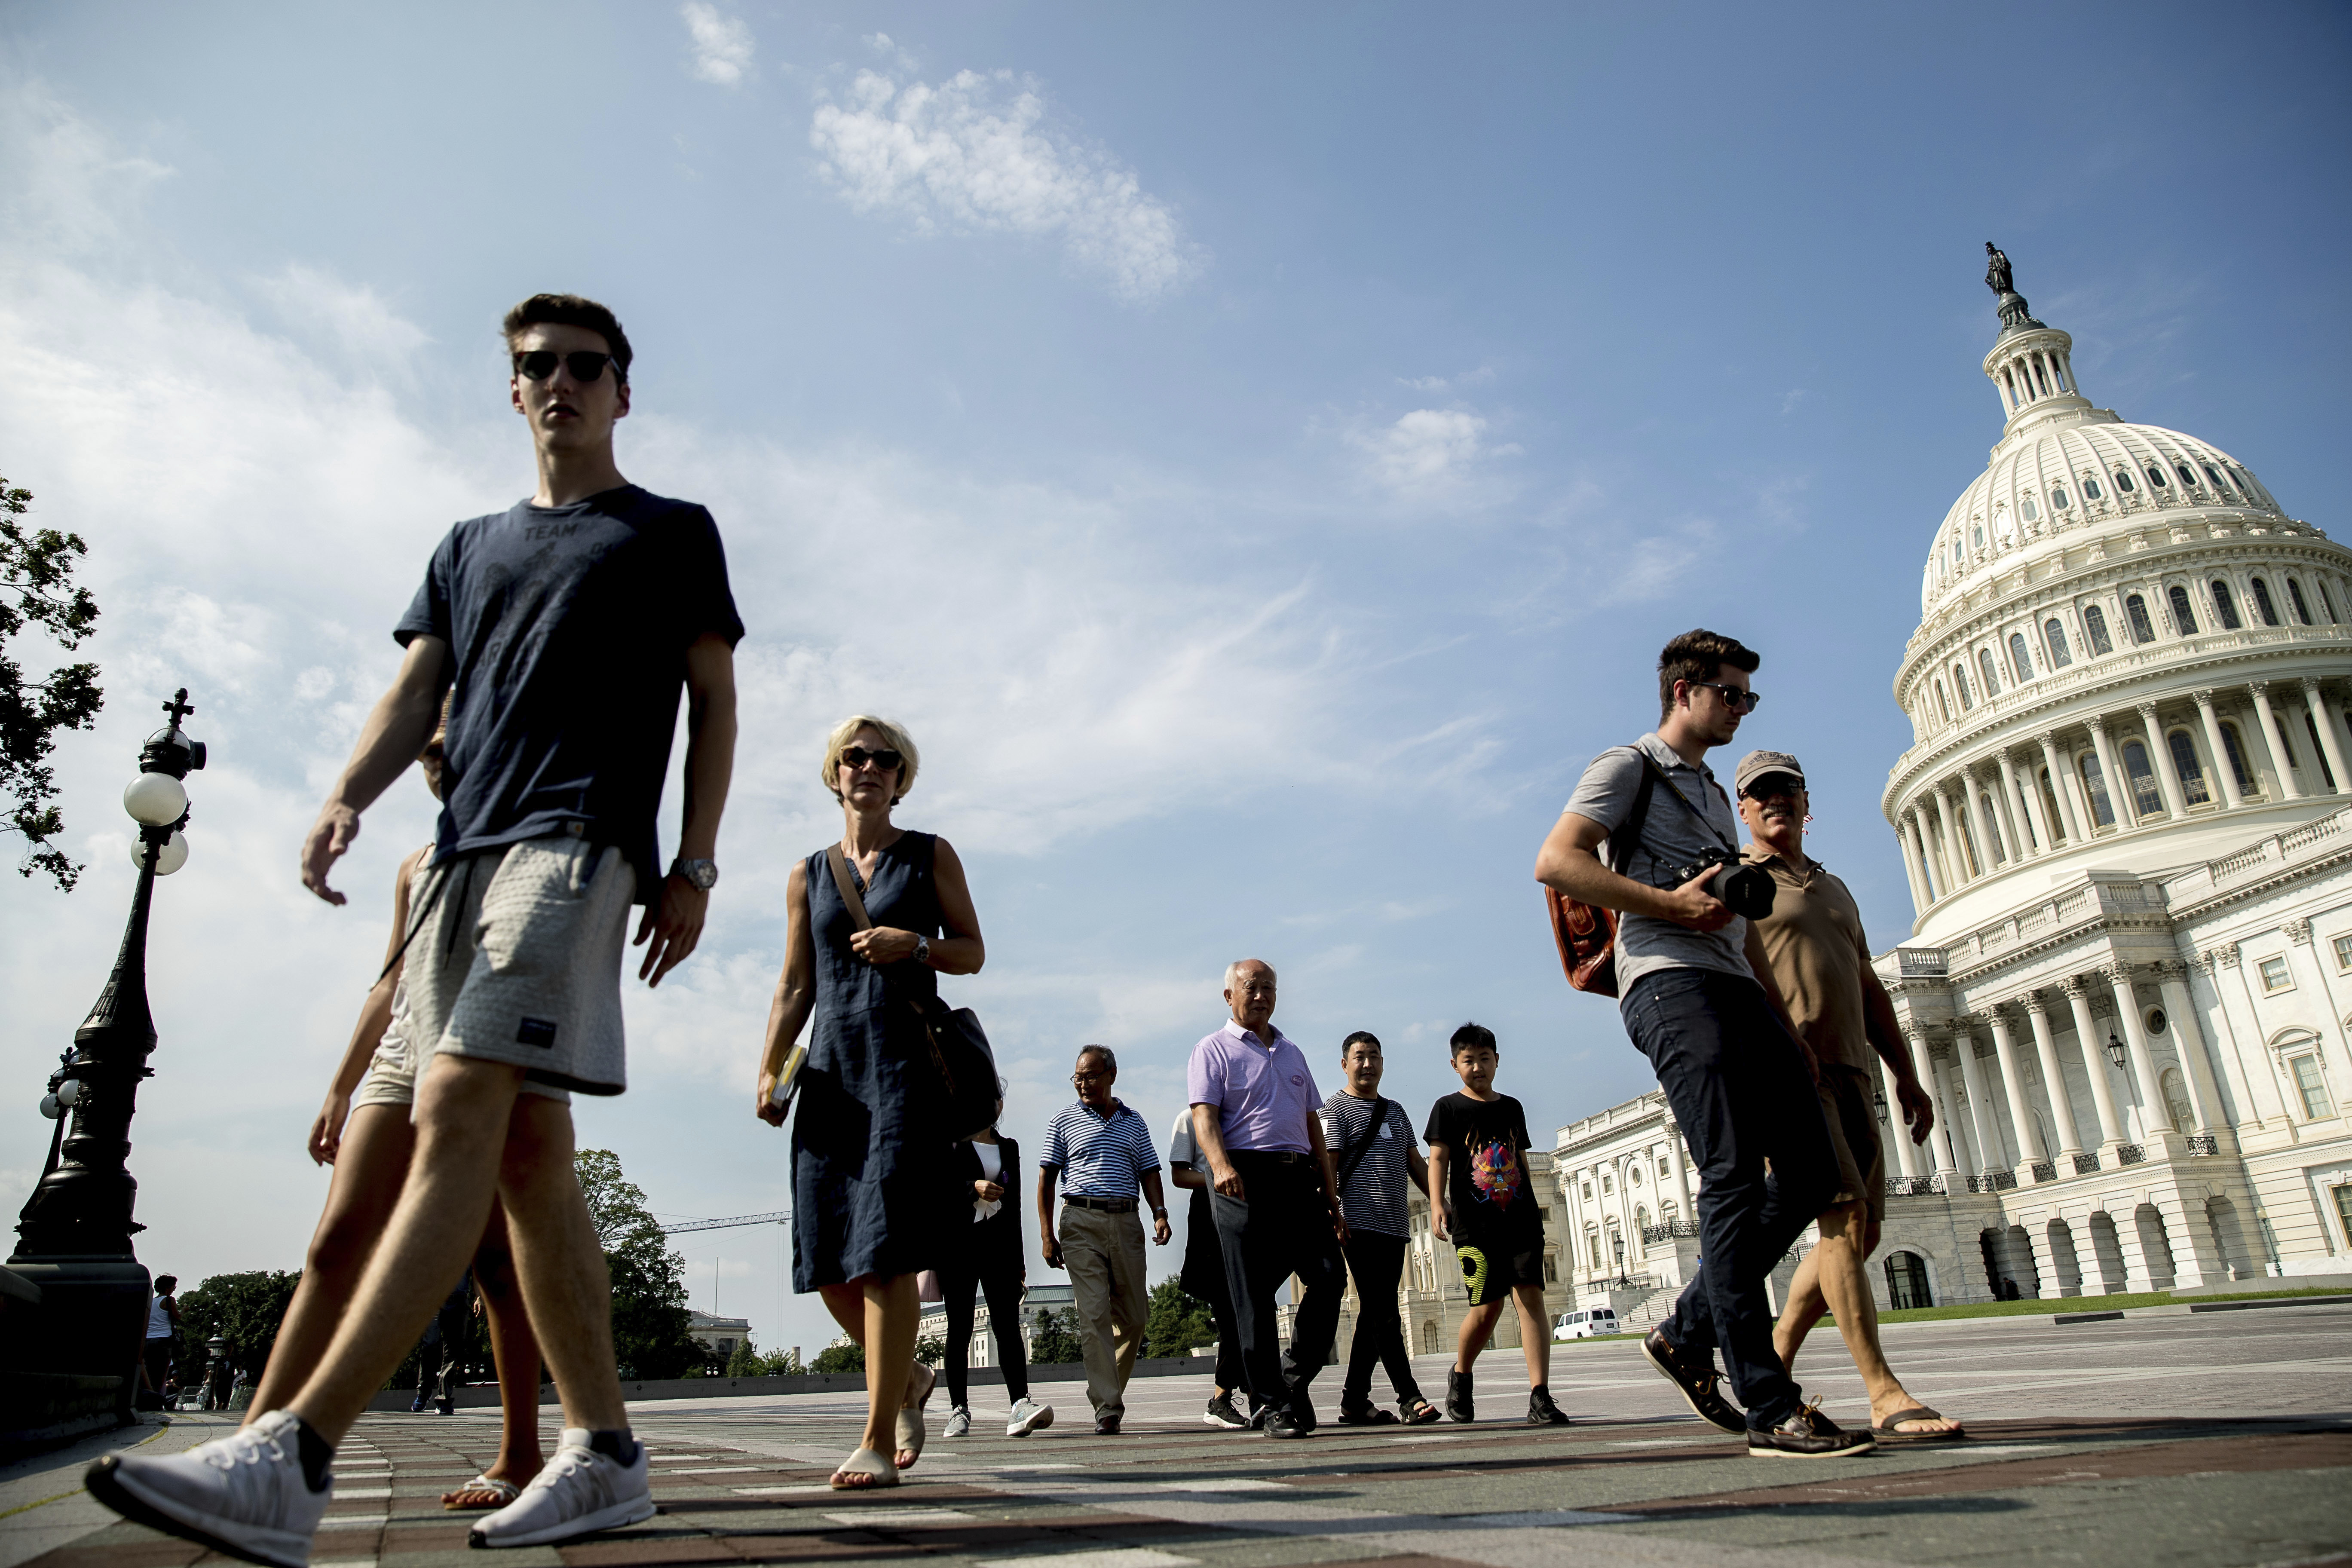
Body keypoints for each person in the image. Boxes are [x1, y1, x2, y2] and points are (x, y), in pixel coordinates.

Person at [90, 292, 744, 1560]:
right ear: (512, 390)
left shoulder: (669, 531)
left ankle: (295, 1456)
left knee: (455, 1104)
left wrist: (696, 865)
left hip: (575, 843)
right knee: (526, 1156)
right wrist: (345, 794)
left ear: (624, 388)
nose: (559, 382)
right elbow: (415, 689)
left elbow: (714, 699)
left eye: (585, 366)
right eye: (535, 366)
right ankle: (604, 1452)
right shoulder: (466, 543)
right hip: (461, 859)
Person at [1534, 628, 1870, 1459]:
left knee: (1810, 1173)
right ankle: (1767, 1400)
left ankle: (1686, 1330)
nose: (1741, 709)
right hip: (1667, 984)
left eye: (1748, 697)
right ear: (1685, 690)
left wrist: (1783, 1019)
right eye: (1731, 694)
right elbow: (1555, 859)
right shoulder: (1627, 766)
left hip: (1736, 990)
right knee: (1727, 1174)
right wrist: (1666, 903)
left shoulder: (1719, 797)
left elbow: (1747, 923)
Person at [245, 716, 550, 1509]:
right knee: (336, 1239)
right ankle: (257, 1443)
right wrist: (340, 1086)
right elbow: (389, 982)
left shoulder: (528, 839)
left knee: (496, 1265)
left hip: (481, 1059)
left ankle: (519, 1451)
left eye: (458, 742)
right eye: (428, 751)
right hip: (399, 1059)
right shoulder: (414, 865)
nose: (441, 761)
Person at [756, 716, 985, 1490]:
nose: (868, 767)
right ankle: (911, 1378)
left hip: (901, 1074)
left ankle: (877, 1436)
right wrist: (769, 1069)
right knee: (826, 1259)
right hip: (828, 1074)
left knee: (886, 1253)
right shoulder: (808, 874)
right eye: (854, 756)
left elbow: (972, 950)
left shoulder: (929, 854)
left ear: (900, 778)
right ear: (833, 773)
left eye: (885, 759)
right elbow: (795, 982)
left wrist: (912, 944)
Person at [1733, 751, 1965, 1442]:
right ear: (1743, 809)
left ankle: (1770, 1366)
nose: (1775, 802)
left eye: (1786, 791)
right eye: (1760, 794)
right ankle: (1884, 1392)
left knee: (1864, 1233)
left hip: (1852, 1066)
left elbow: (1866, 984)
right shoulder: (1740, 883)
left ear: (1807, 803)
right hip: (1790, 1071)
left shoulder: (1834, 889)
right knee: (1838, 1216)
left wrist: (1904, 1071)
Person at [1186, 959, 1348, 1439]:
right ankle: (1272, 1405)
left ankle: (1292, 1382)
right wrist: (1220, 1166)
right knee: (1252, 1297)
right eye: (1251, 987)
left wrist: (1330, 1188)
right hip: (1243, 1177)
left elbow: (1312, 1122)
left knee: (1329, 1277)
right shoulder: (1212, 1050)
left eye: (1269, 988)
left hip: (1298, 1179)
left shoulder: (1293, 1052)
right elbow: (1204, 1116)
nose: (1261, 996)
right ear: (1229, 996)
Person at [1424, 1024, 1568, 1427]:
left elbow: (1520, 1160)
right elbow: (1438, 1160)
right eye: (1468, 1061)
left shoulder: (1512, 1107)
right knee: (1487, 1308)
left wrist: (1534, 1208)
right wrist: (1438, 1203)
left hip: (1520, 1220)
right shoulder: (1448, 1108)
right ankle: (1462, 1373)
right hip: (1474, 1225)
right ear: (1455, 1065)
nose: (1478, 1067)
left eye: (1485, 1059)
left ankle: (1540, 1396)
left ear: (1497, 1060)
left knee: (1530, 1298)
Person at [1038, 1046, 1170, 1435]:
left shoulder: (1134, 1121)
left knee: (1135, 1317)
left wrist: (1159, 1212)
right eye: (1078, 1078)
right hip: (1080, 1220)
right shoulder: (1062, 1121)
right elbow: (1046, 1179)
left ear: (1112, 1075)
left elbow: (1150, 1170)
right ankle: (1107, 1406)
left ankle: (1106, 1387)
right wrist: (1047, 1234)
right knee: (1093, 1314)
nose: (1083, 1084)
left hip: (1127, 1220)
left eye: (1091, 1076)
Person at [1308, 1034, 1439, 1426]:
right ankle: (1409, 1396)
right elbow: (1328, 1163)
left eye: (1374, 1057)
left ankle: (1354, 1400)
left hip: (1394, 1223)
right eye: (1359, 1057)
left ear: (1384, 1063)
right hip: (1356, 1222)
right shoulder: (1334, 1109)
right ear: (1344, 1063)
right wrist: (1333, 1210)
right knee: (1385, 1313)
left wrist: (1439, 1200)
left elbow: (1415, 1162)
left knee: (1374, 1311)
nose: (1368, 1065)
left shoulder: (1395, 1112)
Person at [939, 1093, 1054, 1439]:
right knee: (959, 1329)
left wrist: (1019, 1260)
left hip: (999, 1248)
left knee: (1007, 1326)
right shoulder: (952, 1144)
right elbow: (935, 1190)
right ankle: (958, 1409)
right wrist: (971, 1188)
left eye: (996, 1097)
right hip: (958, 1247)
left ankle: (1020, 1403)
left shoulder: (1009, 1146)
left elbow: (1015, 1203)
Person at [1166, 1108, 1250, 1429]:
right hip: (1210, 1212)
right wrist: (1217, 1177)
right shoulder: (1188, 1119)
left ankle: (1244, 1393)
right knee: (1229, 1311)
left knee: (1253, 1306)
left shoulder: (1246, 1112)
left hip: (1248, 1211)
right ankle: (1222, 1398)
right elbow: (1178, 1174)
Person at [140, 1275, 180, 1410]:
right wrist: (184, 1311)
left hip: (148, 1340)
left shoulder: (150, 1301)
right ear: (168, 1288)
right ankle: (156, 1402)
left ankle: (148, 1400)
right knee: (161, 1375)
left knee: (149, 1372)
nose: (174, 1289)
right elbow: (178, 1317)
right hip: (163, 1341)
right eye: (173, 1287)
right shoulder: (169, 1300)